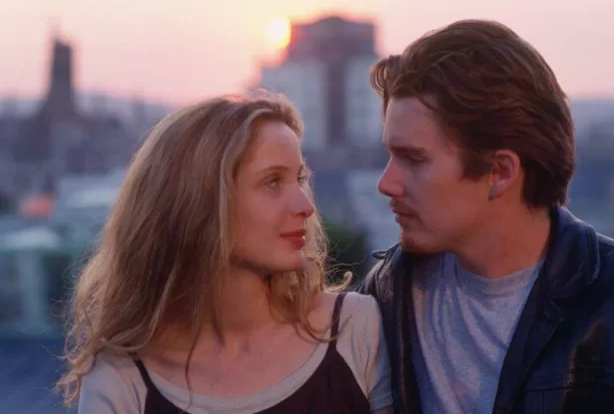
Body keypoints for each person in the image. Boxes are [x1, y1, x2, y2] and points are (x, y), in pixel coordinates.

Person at [358, 19, 614, 413]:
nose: (387, 183)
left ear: (500, 172)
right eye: (390, 156)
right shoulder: (388, 292)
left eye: (414, 159)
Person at [57, 93, 394, 414]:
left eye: (300, 178)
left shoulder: (353, 328)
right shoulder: (121, 378)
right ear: (199, 203)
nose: (305, 206)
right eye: (273, 182)